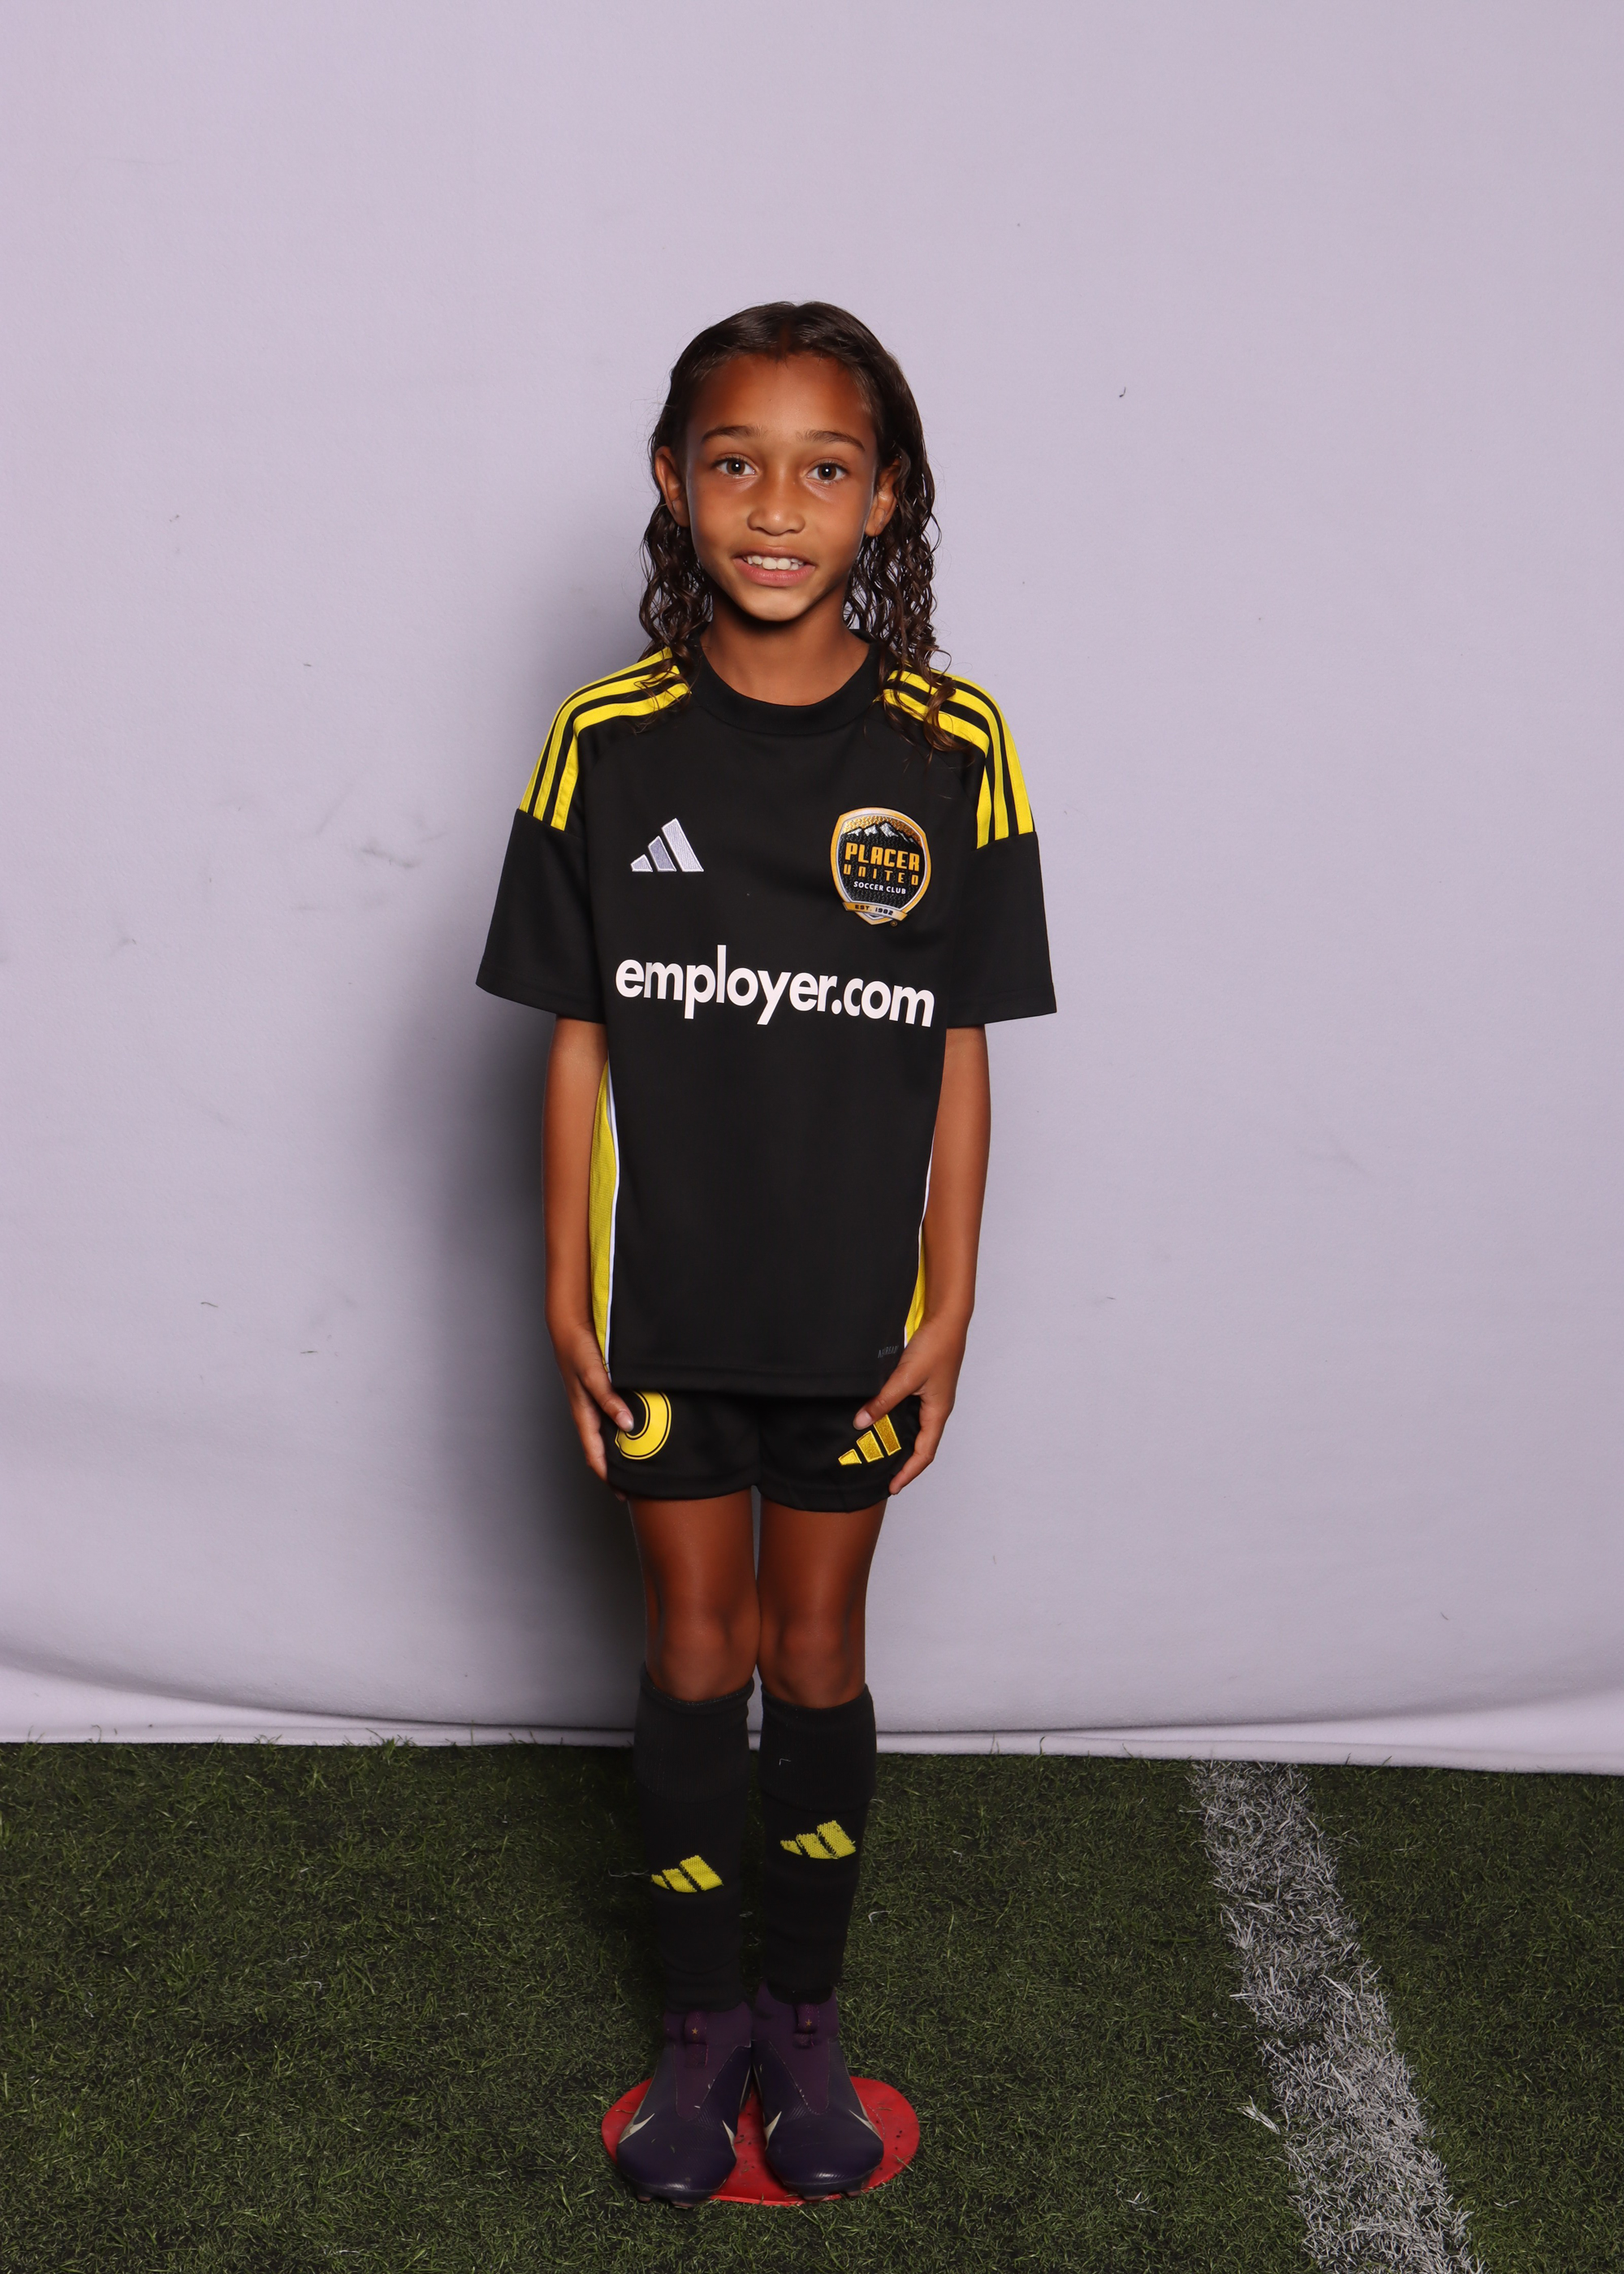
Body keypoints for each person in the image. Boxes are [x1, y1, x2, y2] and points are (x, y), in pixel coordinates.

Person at [477, 301, 1055, 2206]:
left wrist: (950, 1300)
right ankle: (697, 2019)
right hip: (660, 1308)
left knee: (813, 1647)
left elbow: (958, 1043)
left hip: (850, 1323)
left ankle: (803, 2018)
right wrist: (563, 1289)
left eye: (825, 468)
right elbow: (577, 1034)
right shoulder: (604, 741)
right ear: (673, 481)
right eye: (737, 462)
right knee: (689, 1644)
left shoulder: (955, 743)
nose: (778, 505)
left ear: (885, 499)